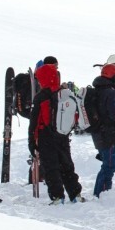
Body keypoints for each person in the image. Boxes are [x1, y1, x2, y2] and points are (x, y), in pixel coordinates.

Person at [29, 57, 85, 204]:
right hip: (62, 134)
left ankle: (57, 196)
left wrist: (31, 141)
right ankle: (75, 194)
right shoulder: (63, 93)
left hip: (46, 136)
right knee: (67, 165)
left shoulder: (41, 97)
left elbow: (34, 122)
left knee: (51, 167)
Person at [89, 64, 115, 198]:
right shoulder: (110, 92)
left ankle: (103, 191)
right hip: (109, 134)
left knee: (107, 164)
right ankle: (101, 193)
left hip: (99, 132)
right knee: (110, 165)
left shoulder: (97, 90)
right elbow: (114, 114)